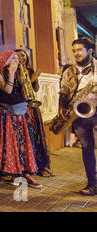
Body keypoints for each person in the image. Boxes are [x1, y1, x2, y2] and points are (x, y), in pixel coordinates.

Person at [0, 50, 42, 188]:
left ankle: (27, 173)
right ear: (5, 60)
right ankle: (14, 173)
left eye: (17, 58)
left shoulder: (21, 71)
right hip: (7, 112)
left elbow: (28, 89)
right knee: (11, 143)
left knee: (26, 142)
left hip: (22, 111)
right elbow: (8, 90)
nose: (17, 60)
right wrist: (12, 73)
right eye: (13, 58)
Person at [57, 38, 96, 196]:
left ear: (90, 51)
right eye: (74, 50)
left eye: (80, 50)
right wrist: (60, 108)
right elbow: (64, 90)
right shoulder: (69, 71)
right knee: (87, 149)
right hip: (79, 114)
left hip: (96, 111)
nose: (76, 53)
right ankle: (92, 184)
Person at [15, 49, 54, 177]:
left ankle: (42, 166)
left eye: (23, 55)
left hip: (33, 107)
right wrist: (33, 78)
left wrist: (35, 78)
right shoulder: (14, 72)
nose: (21, 57)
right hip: (22, 108)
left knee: (38, 138)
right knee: (28, 139)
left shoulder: (30, 70)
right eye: (18, 55)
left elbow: (35, 89)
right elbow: (19, 89)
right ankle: (29, 167)